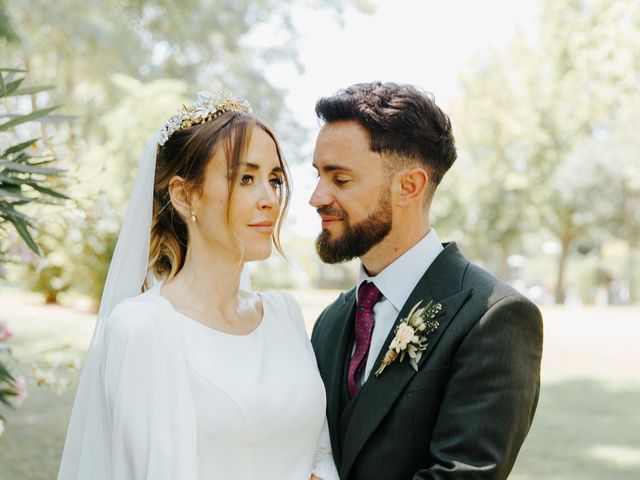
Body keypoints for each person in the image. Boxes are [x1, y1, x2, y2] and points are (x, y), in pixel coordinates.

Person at [58, 91, 338, 480]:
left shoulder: (284, 314)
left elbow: (319, 454)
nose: (269, 199)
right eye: (245, 178)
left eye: (274, 180)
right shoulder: (144, 329)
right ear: (185, 194)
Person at [309, 82, 543, 480]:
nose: (316, 197)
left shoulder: (495, 318)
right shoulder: (330, 322)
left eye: (340, 180)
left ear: (409, 186)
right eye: (318, 175)